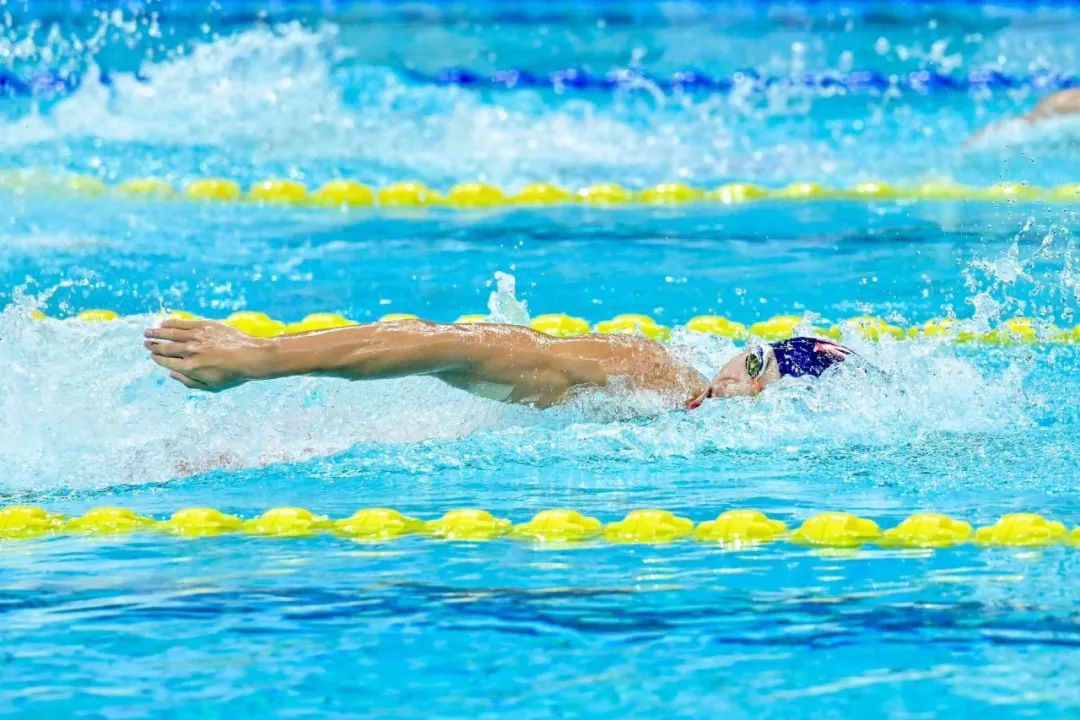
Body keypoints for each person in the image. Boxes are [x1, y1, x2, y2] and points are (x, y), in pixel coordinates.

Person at [144, 318, 853, 410]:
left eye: (756, 365)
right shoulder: (654, 373)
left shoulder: (680, 404)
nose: (733, 372)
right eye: (747, 355)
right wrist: (261, 357)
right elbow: (451, 344)